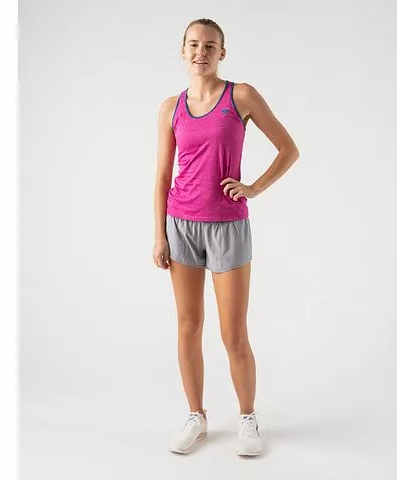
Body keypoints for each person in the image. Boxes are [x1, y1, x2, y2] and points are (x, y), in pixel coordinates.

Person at [152, 18, 300, 456]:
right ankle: (195, 416)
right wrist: (159, 235)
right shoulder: (170, 107)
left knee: (233, 334)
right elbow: (162, 177)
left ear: (222, 52)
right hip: (181, 225)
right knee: (188, 327)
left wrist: (253, 187)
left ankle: (248, 418)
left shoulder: (241, 96)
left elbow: (289, 149)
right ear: (183, 50)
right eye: (194, 44)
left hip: (228, 226)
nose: (201, 52)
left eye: (210, 46)